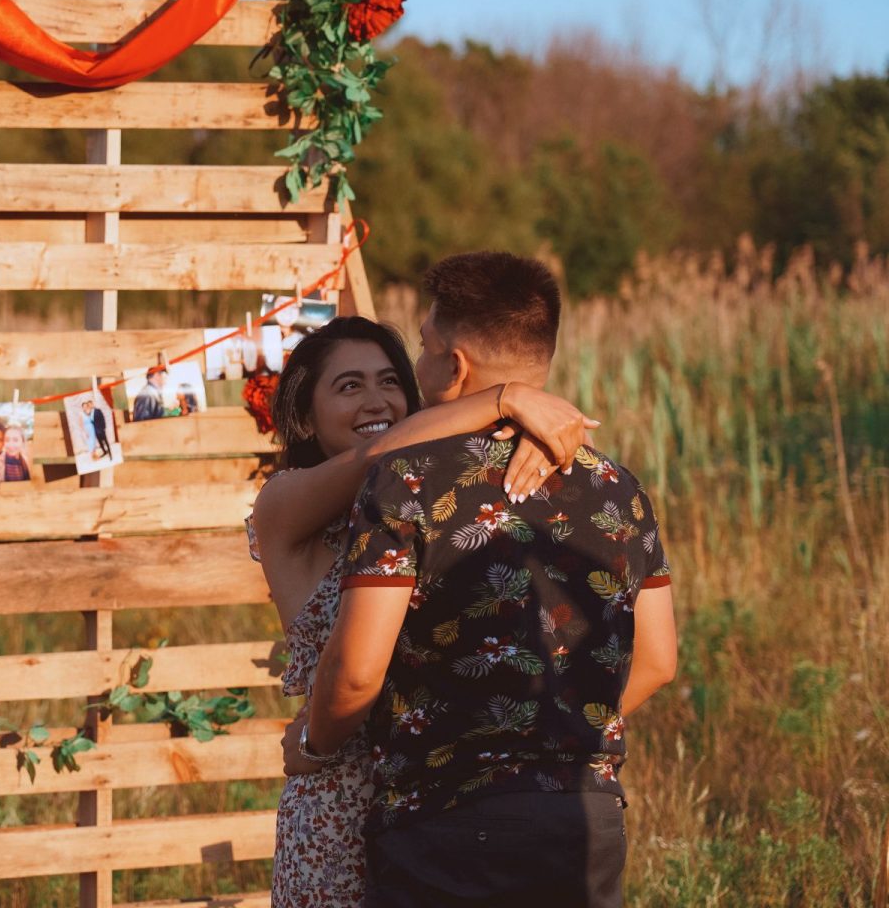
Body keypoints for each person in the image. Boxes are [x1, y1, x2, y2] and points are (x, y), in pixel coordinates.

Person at [288, 253, 678, 907]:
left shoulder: (410, 478)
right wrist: (552, 733)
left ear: (453, 363)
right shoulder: (617, 486)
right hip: (586, 818)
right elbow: (658, 661)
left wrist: (312, 744)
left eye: (420, 346)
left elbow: (357, 672)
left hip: (445, 822)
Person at [249, 312, 599, 908]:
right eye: (349, 386)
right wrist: (509, 398)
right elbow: (375, 454)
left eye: (389, 381)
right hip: (341, 799)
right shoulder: (283, 505)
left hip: (440, 796)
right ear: (305, 417)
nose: (376, 398)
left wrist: (540, 437)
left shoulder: (428, 500)